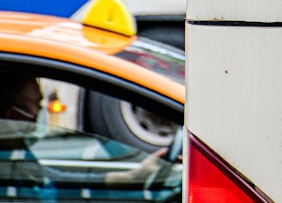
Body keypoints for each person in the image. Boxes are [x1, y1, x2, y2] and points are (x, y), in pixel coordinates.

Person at [0, 75, 164, 188]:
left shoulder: (17, 154)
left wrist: (131, 177)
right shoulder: (10, 161)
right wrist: (130, 178)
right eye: (37, 104)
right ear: (12, 116)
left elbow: (56, 178)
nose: (41, 110)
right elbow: (56, 181)